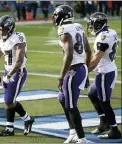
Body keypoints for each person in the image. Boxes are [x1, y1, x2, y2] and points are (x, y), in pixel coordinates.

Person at [0, 15, 34, 136]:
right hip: (8, 71)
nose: (1, 31)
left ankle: (26, 119)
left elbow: (18, 61)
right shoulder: (1, 40)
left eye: (4, 29)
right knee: (9, 101)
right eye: (0, 29)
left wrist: (9, 76)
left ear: (11, 28)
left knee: (9, 100)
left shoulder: (18, 38)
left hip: (18, 72)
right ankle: (10, 128)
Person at [52, 5, 92, 143]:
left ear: (62, 16)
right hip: (81, 67)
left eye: (56, 15)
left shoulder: (64, 29)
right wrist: (86, 72)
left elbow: (68, 55)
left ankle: (82, 138)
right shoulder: (78, 27)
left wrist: (61, 76)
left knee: (71, 105)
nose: (55, 18)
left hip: (73, 69)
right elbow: (89, 51)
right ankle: (73, 131)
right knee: (62, 98)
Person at [87, 12, 121, 139]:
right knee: (92, 93)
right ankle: (104, 123)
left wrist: (84, 72)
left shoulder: (102, 38)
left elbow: (95, 60)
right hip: (108, 69)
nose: (91, 26)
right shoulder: (111, 32)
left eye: (93, 24)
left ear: (98, 24)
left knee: (105, 102)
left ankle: (114, 130)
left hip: (105, 73)